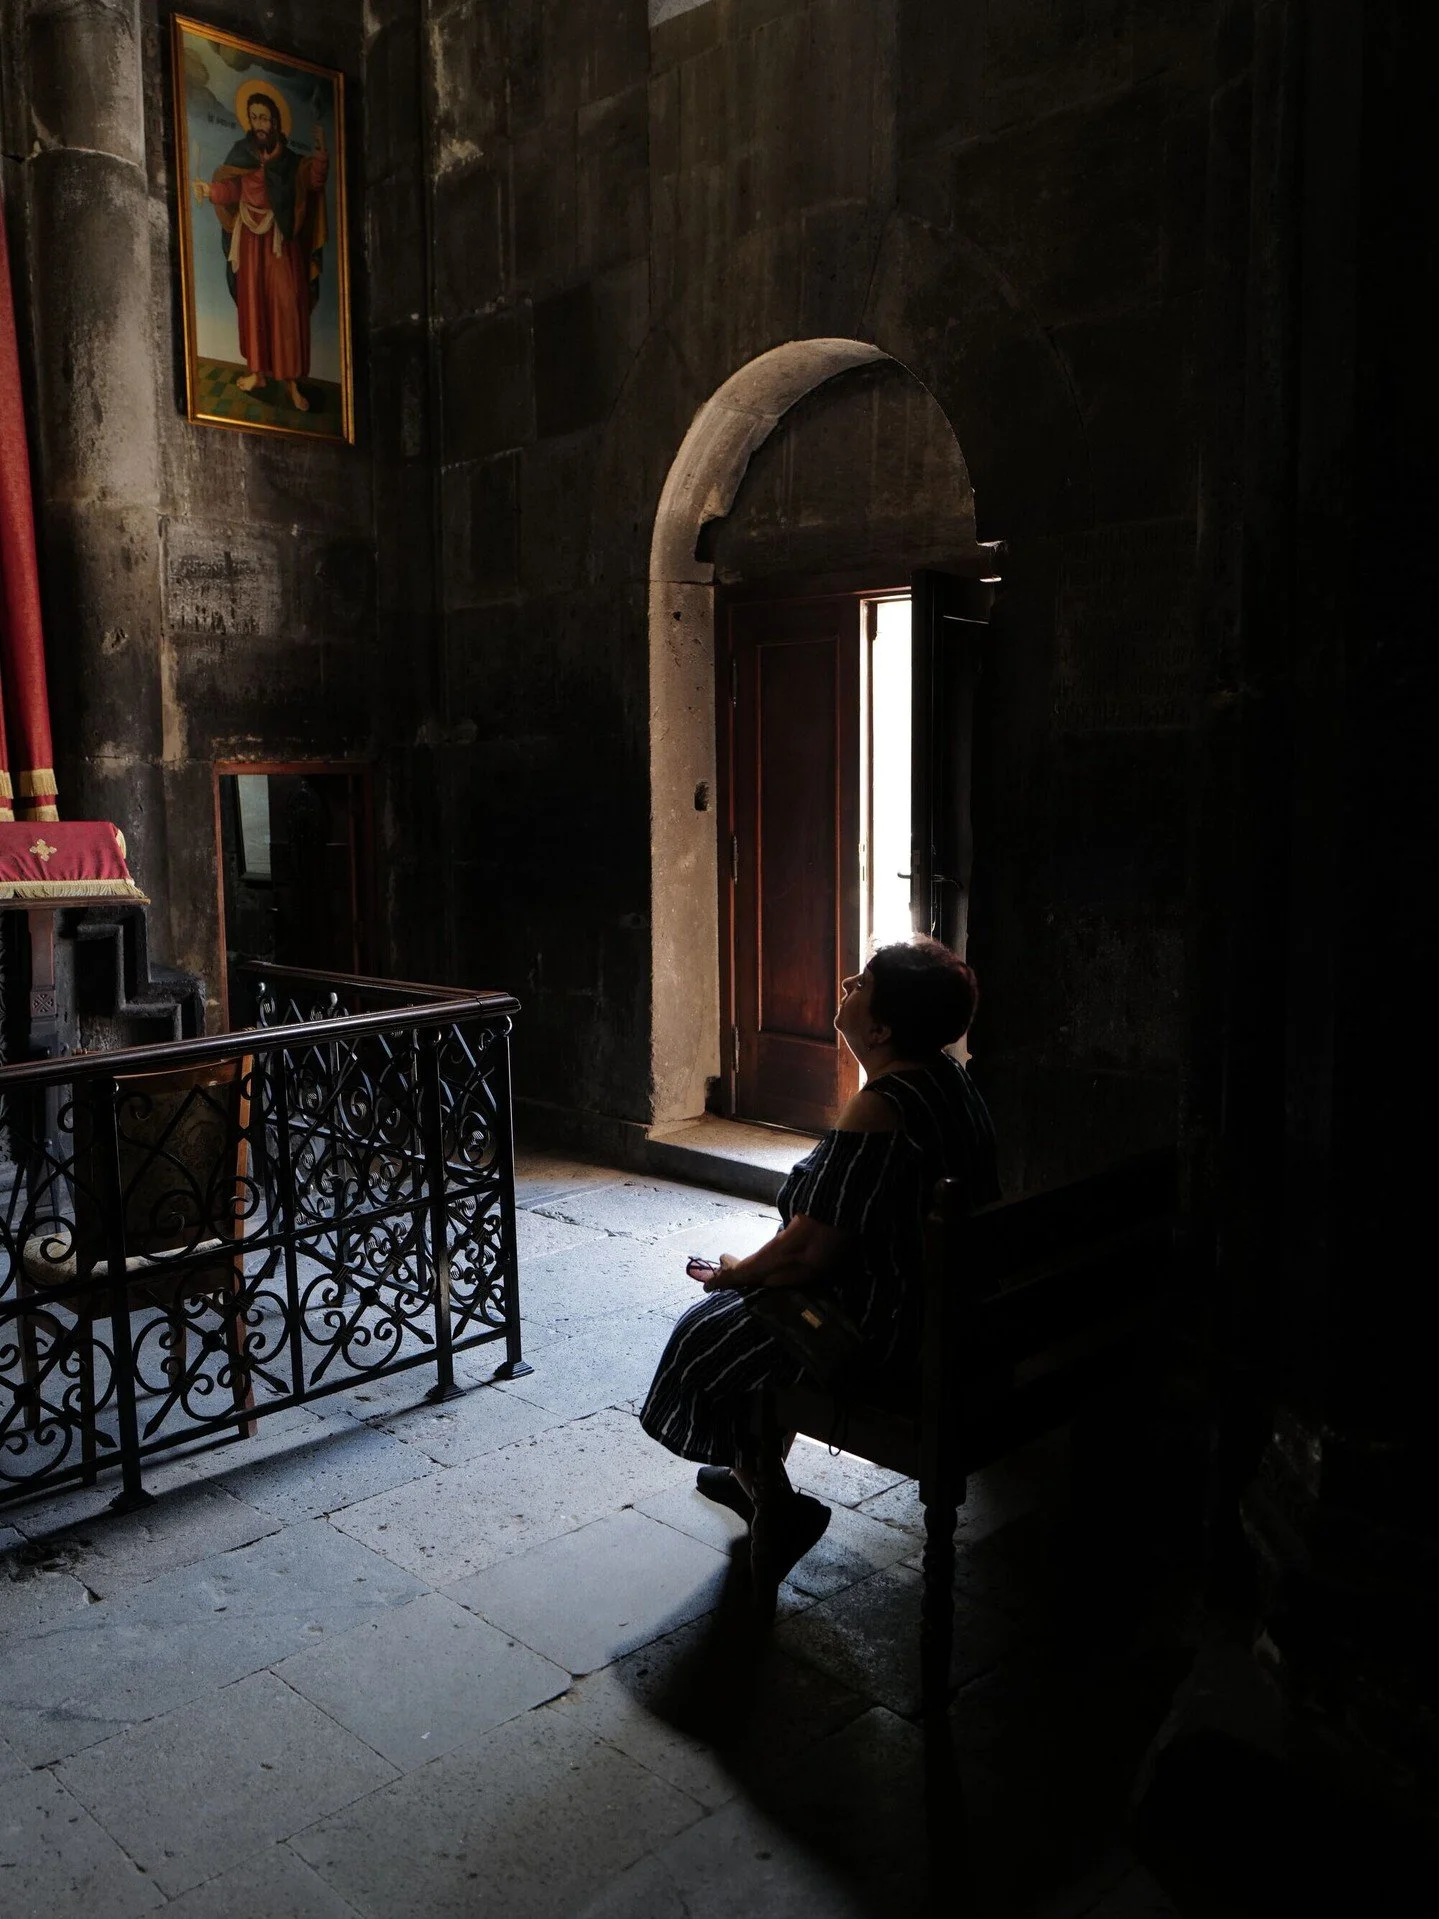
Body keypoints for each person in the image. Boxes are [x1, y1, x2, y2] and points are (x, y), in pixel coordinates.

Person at [640, 936, 999, 1580]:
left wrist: (732, 1274)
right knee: (751, 1310)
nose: (846, 987)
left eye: (861, 984)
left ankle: (771, 1499)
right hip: (951, 1304)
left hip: (890, 1331)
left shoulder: (882, 1107)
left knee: (707, 1335)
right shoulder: (946, 1080)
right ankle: (753, 1466)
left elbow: (808, 1251)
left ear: (883, 1028)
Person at [194, 88, 330, 413]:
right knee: (253, 305)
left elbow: (315, 180)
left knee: (287, 310)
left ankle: (292, 382)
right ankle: (257, 374)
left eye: (264, 117)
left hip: (282, 242)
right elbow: (233, 187)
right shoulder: (242, 153)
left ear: (276, 121)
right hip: (251, 244)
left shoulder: (292, 162)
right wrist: (210, 190)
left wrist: (322, 150)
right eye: (254, 117)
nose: (259, 123)